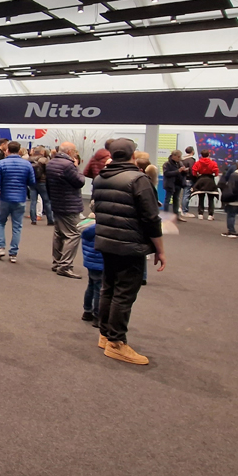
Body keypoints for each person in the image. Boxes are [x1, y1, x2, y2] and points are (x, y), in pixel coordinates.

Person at [92, 138, 165, 365]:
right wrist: (160, 249)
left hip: (106, 242)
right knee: (124, 293)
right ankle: (116, 343)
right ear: (133, 155)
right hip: (130, 244)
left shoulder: (99, 178)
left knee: (109, 288)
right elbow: (151, 219)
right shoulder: (139, 180)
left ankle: (106, 335)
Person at [0, 141, 33, 263]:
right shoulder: (26, 164)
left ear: (7, 150)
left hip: (5, 198)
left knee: (1, 222)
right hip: (20, 198)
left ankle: (1, 247)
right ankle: (13, 253)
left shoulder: (1, 163)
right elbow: (32, 181)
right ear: (19, 150)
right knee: (17, 226)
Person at [47, 142, 85, 279]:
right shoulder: (68, 165)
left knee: (59, 233)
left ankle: (57, 262)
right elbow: (80, 181)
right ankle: (65, 265)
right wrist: (77, 167)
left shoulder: (51, 163)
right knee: (73, 234)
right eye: (74, 151)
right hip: (69, 204)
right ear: (69, 152)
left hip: (57, 202)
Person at [79, 218, 102, 325]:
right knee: (99, 290)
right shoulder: (101, 229)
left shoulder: (87, 228)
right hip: (101, 263)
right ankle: (97, 315)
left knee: (91, 286)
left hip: (90, 261)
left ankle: (87, 310)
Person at [189, 150, 220, 219]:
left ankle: (200, 214)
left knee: (201, 198)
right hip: (210, 180)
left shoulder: (198, 163)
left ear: (201, 155)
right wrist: (214, 175)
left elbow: (194, 171)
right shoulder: (213, 163)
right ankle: (210, 215)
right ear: (209, 155)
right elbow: (216, 172)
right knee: (211, 198)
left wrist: (197, 175)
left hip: (201, 180)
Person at [161, 150, 185, 215]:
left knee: (176, 199)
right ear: (173, 156)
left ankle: (176, 214)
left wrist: (184, 171)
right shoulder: (167, 164)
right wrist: (178, 171)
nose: (179, 158)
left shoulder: (180, 163)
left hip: (178, 184)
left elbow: (182, 173)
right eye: (178, 157)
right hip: (170, 184)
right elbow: (166, 173)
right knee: (167, 200)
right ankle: (165, 214)